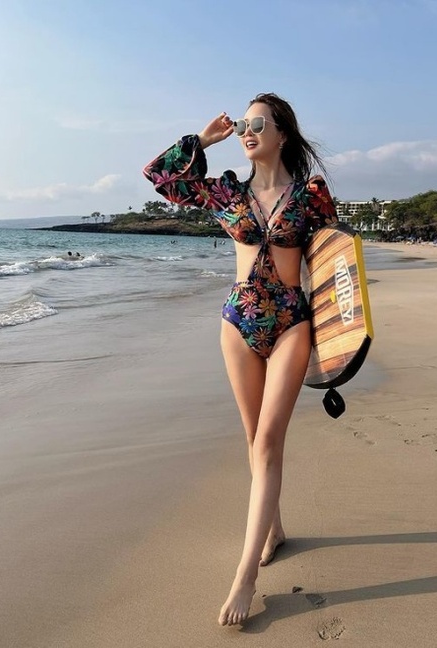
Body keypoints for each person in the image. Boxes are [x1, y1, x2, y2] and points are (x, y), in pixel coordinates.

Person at [143, 93, 338, 626]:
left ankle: (246, 574)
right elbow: (160, 177)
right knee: (254, 441)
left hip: (291, 321)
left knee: (269, 441)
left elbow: (331, 260)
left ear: (282, 134)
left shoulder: (310, 194)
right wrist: (203, 140)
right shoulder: (227, 191)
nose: (247, 131)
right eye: (244, 124)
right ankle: (274, 529)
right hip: (238, 321)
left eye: (258, 123)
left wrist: (340, 338)